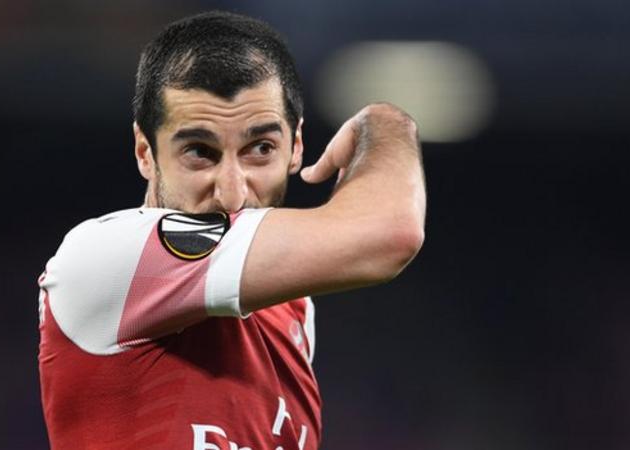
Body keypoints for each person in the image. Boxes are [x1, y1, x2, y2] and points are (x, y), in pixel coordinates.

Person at [37, 10, 426, 450]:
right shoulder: (106, 262)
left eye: (260, 148)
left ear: (296, 146)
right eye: (200, 152)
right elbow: (391, 234)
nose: (232, 193)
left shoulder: (292, 308)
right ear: (145, 151)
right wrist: (387, 124)